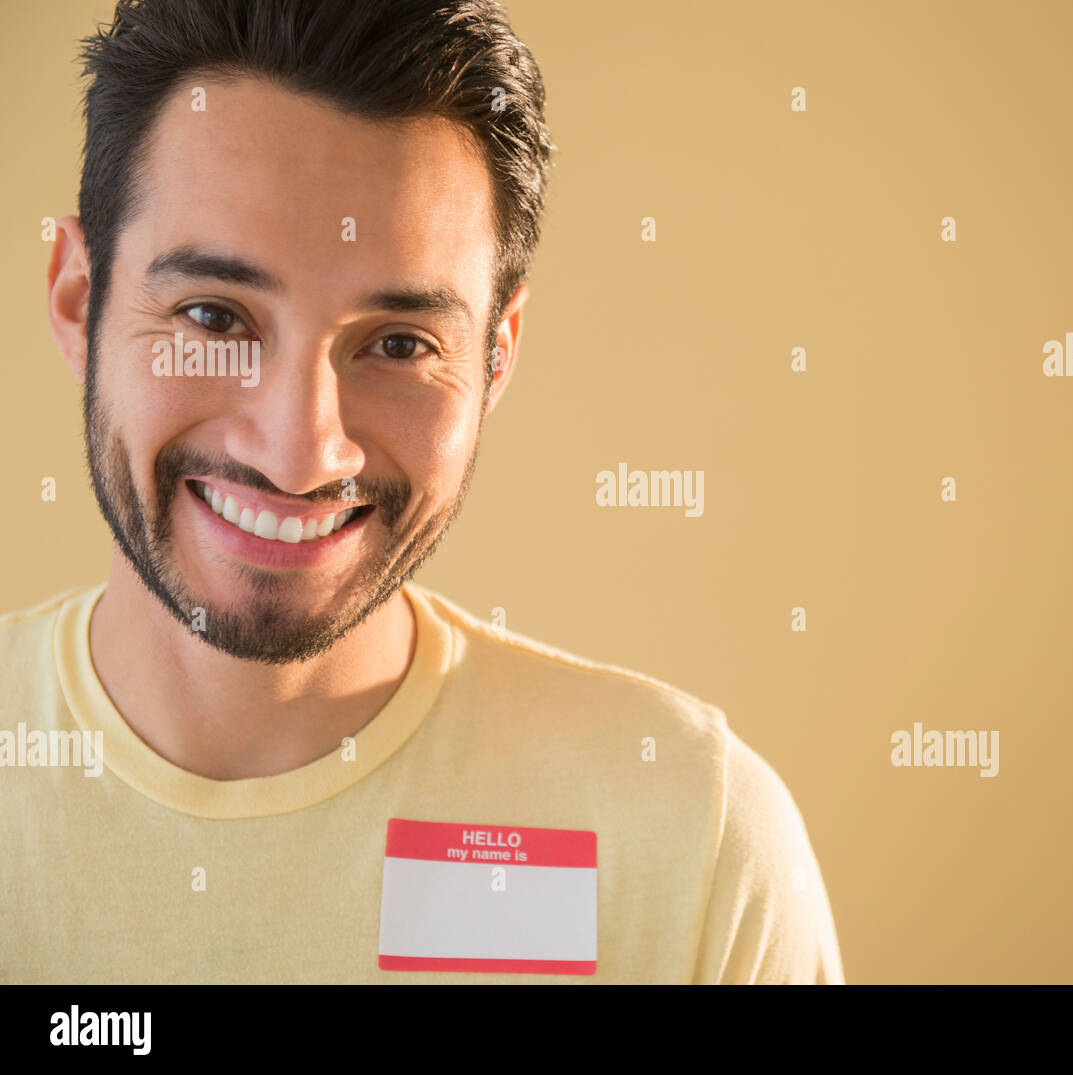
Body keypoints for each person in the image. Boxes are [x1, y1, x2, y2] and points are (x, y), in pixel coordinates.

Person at [0, 0, 844, 984]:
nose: (302, 452)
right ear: (77, 298)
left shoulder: (691, 836)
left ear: (495, 358)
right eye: (213, 316)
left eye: (398, 345)